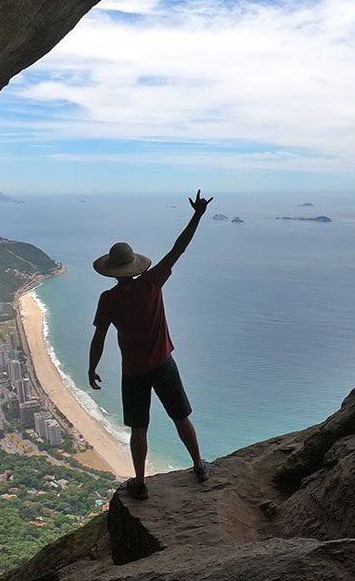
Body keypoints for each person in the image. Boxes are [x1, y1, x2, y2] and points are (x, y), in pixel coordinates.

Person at [88, 189, 212, 500]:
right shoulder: (152, 282)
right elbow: (178, 249)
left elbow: (99, 336)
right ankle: (199, 466)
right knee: (181, 417)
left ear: (112, 271)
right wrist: (197, 215)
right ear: (135, 265)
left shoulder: (109, 299)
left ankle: (140, 483)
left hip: (133, 372)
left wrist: (91, 368)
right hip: (163, 365)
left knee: (138, 428)